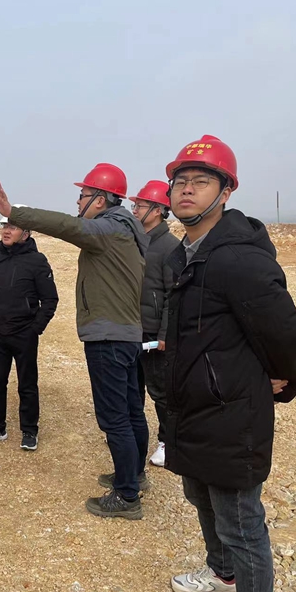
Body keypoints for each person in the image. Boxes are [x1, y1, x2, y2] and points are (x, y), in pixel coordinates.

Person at [162, 136, 296, 592]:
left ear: (225, 192)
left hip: (231, 412)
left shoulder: (238, 257)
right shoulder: (184, 254)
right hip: (191, 407)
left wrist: (281, 378)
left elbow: (286, 333)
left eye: (201, 181)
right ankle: (222, 575)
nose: (187, 189)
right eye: (180, 182)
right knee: (200, 498)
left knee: (241, 525)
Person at [0, 164, 150, 519]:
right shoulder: (129, 230)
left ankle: (127, 496)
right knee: (131, 412)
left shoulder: (108, 228)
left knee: (115, 419)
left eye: (83, 195)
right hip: (126, 334)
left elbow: (68, 226)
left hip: (108, 338)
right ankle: (134, 476)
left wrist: (16, 213)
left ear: (100, 199)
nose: (78, 201)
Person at [0, 206, 58, 451]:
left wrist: (35, 329)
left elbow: (50, 300)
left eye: (12, 227)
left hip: (24, 333)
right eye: (4, 227)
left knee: (27, 384)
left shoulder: (37, 261)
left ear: (26, 233)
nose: (6, 231)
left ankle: (29, 431)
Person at [128, 180, 179, 468]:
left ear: (158, 210)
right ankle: (133, 435)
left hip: (154, 334)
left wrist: (164, 334)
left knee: (160, 390)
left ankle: (167, 442)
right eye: (134, 205)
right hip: (131, 328)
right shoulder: (136, 241)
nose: (135, 210)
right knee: (132, 386)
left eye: (140, 205)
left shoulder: (170, 247)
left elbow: (173, 296)